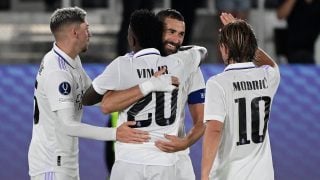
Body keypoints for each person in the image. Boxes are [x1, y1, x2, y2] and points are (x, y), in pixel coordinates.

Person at [27, 7, 149, 180]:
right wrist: (115, 133)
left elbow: (91, 96)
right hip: (52, 166)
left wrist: (138, 94)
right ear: (75, 33)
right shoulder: (57, 72)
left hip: (64, 162)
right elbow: (67, 126)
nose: (90, 34)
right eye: (87, 29)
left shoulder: (70, 59)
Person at [85, 9, 207, 180]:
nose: (176, 40)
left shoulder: (127, 64)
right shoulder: (184, 62)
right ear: (155, 31)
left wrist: (186, 142)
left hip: (174, 156)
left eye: (181, 34)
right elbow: (201, 51)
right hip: (155, 158)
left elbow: (201, 120)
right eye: (171, 32)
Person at [201, 13, 280, 180]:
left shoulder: (217, 83)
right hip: (263, 175)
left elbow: (214, 129)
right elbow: (271, 64)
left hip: (229, 175)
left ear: (224, 48)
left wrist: (204, 174)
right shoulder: (268, 77)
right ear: (251, 46)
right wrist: (243, 36)